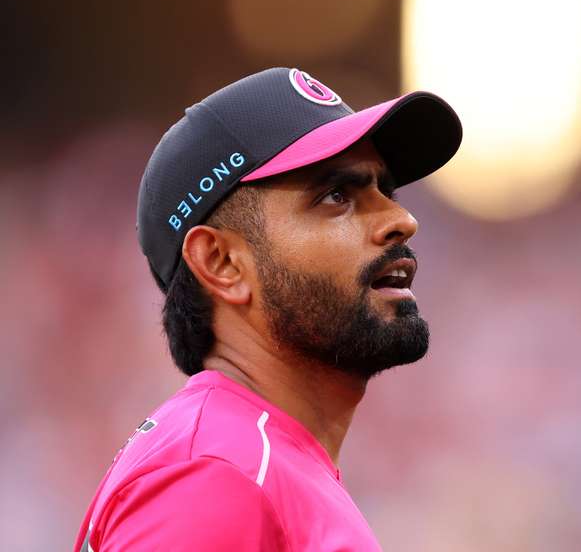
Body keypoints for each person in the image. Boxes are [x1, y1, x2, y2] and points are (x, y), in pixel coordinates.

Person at [73, 67, 463, 551]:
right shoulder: (215, 475)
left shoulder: (254, 463)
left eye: (387, 191)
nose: (402, 220)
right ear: (223, 263)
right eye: (337, 196)